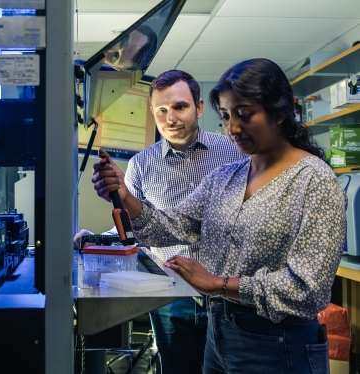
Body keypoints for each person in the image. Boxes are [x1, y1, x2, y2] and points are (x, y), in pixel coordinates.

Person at [90, 58, 347, 374]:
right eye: (225, 117)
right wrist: (126, 197)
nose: (233, 128)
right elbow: (173, 227)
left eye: (244, 114)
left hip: (278, 343)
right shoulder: (227, 176)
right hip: (220, 333)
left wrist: (217, 284)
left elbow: (309, 289)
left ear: (279, 113)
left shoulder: (313, 180)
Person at [76, 69, 245, 373]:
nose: (170, 118)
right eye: (161, 110)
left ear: (199, 107)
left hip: (225, 293)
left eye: (180, 107)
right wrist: (98, 239)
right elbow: (133, 228)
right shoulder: (141, 164)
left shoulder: (233, 151)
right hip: (169, 294)